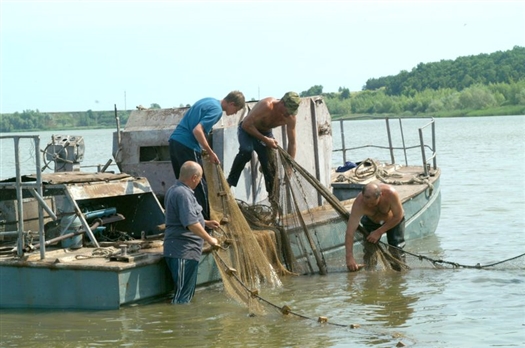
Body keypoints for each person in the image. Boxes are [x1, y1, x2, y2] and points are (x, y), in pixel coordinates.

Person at [169, 91, 245, 220]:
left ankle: (183, 217)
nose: (234, 113)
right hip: (187, 145)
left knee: (183, 184)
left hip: (174, 142)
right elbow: (197, 130)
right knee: (199, 184)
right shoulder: (217, 111)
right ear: (232, 103)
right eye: (236, 110)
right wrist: (210, 152)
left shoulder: (208, 100)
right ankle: (204, 222)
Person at [163, 161, 220, 304]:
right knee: (182, 298)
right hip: (183, 252)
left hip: (185, 252)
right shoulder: (183, 194)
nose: (200, 181)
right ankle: (181, 324)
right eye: (200, 178)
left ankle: (183, 323)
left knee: (186, 295)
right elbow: (190, 223)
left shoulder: (175, 189)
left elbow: (183, 217)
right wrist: (210, 239)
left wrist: (206, 222)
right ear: (194, 177)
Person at [226, 91, 301, 196]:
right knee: (246, 151)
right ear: (282, 102)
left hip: (266, 133)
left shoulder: (290, 118)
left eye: (291, 112)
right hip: (247, 130)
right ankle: (229, 182)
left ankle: (274, 202)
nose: (288, 114)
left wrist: (289, 168)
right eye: (287, 111)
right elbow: (246, 125)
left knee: (270, 168)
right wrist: (266, 140)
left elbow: (292, 143)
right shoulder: (267, 105)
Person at [345, 183, 406, 272]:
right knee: (369, 251)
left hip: (393, 220)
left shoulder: (391, 194)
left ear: (380, 195)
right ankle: (370, 276)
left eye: (373, 203)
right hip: (371, 221)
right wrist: (349, 257)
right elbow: (350, 231)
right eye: (367, 203)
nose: (369, 206)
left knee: (396, 249)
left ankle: (399, 276)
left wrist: (379, 232)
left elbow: (398, 216)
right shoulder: (359, 204)